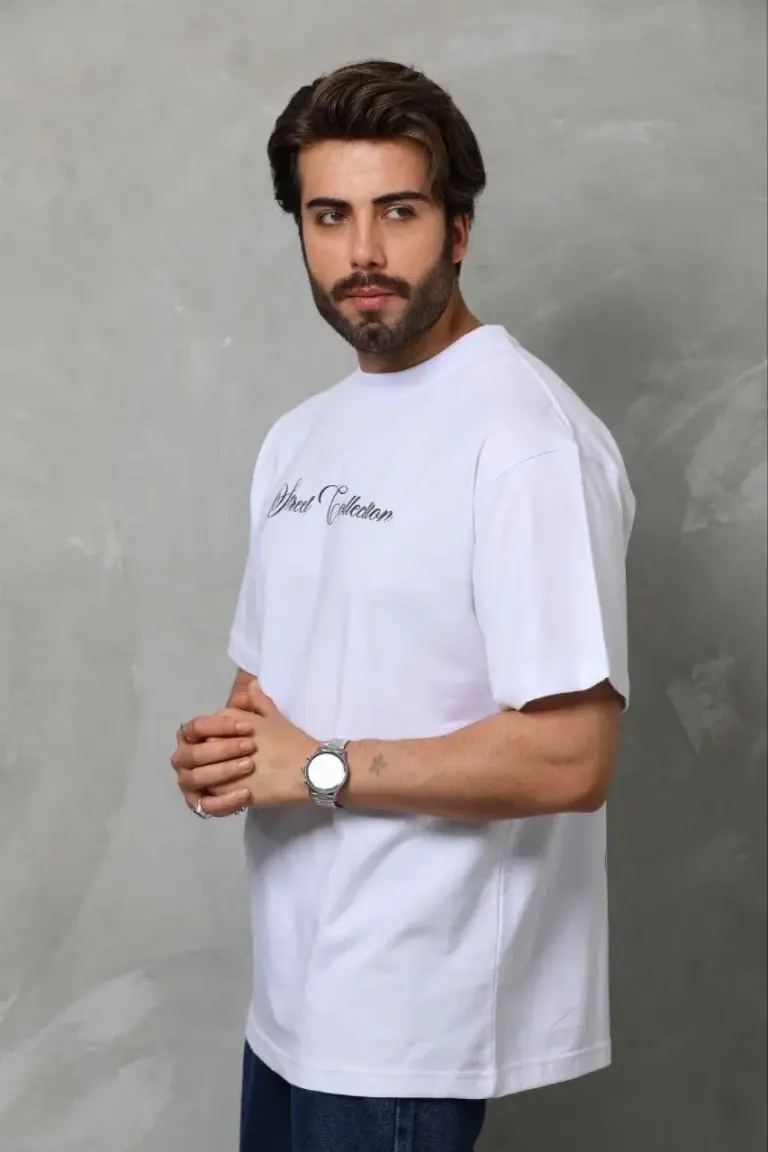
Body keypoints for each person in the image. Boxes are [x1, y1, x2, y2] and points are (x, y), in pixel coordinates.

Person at [170, 59, 635, 1152]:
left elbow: (572, 757)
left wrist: (318, 767)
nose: (364, 253)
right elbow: (269, 691)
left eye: (400, 211)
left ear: (458, 229)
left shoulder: (523, 440)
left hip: (410, 1018)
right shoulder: (300, 436)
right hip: (293, 993)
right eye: (330, 216)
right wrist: (227, 752)